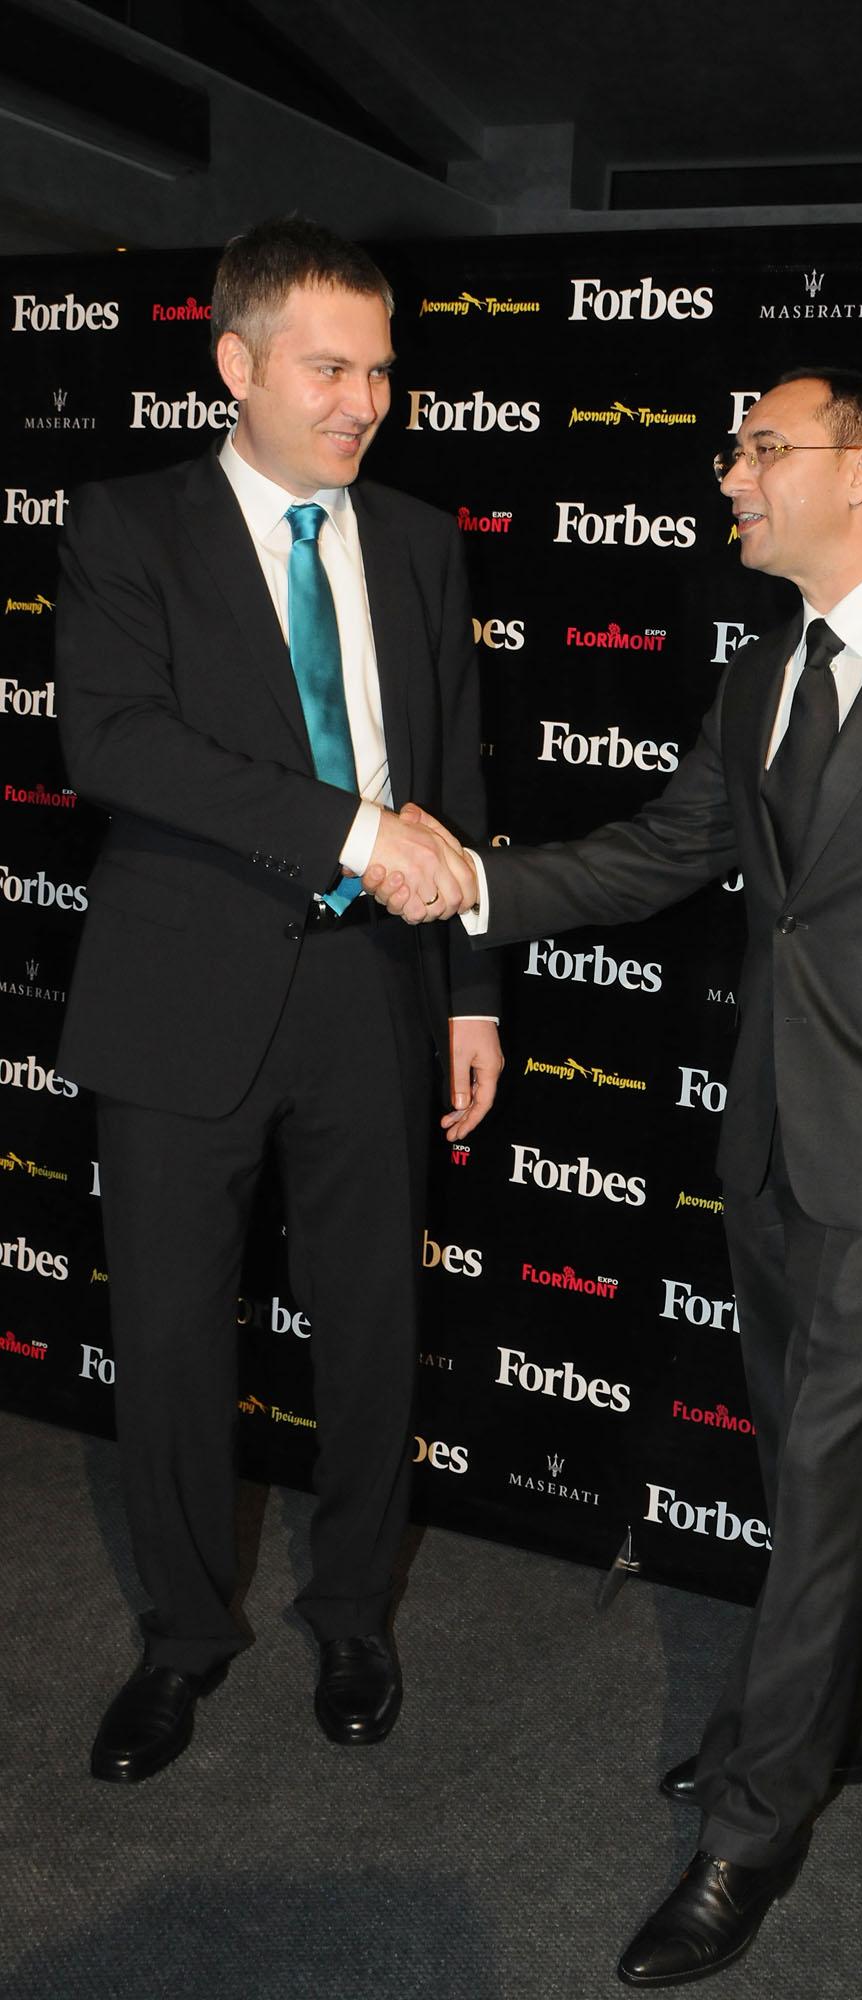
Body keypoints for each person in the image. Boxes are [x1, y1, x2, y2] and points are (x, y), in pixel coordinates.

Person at [367, 368, 862, 1987]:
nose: (727, 474)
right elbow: (664, 851)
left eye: (759, 448)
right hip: (772, 1130)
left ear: (860, 470)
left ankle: (753, 1820)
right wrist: (470, 887)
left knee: (816, 1469)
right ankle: (839, 1708)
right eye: (731, 450)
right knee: (810, 1451)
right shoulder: (761, 672)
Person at [56, 217, 502, 1784]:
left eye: (380, 369)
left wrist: (470, 992)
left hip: (375, 997)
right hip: (180, 998)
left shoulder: (422, 541)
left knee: (375, 1330)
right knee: (174, 1340)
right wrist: (352, 833)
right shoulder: (127, 523)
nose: (364, 399)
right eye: (328, 367)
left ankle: (354, 1611)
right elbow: (113, 743)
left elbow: (455, 781)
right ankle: (181, 1636)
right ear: (234, 364)